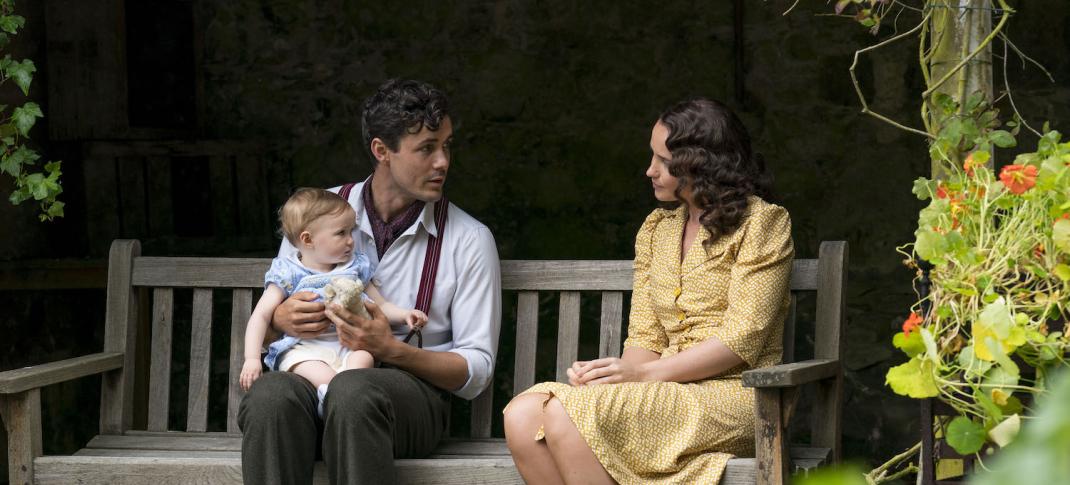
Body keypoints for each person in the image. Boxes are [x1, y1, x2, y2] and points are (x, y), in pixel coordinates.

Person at [503, 98, 793, 485]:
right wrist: (612, 377)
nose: (650, 170)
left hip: (740, 396)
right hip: (664, 388)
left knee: (565, 414)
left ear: (699, 164)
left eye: (663, 160)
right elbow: (646, 335)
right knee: (522, 415)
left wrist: (641, 375)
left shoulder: (762, 224)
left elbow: (743, 338)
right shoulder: (658, 230)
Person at [238, 79, 502, 485]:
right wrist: (281, 321)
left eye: (446, 146)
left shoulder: (468, 239)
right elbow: (274, 315)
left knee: (355, 392)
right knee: (271, 397)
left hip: (409, 402)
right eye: (426, 148)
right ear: (382, 151)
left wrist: (391, 350)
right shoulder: (313, 213)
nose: (443, 162)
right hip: (314, 378)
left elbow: (476, 372)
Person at [238, 187, 429, 418]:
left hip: (350, 345)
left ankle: (339, 401)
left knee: (363, 360)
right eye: (341, 233)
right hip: (305, 349)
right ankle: (329, 399)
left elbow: (379, 306)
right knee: (319, 374)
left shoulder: (355, 267)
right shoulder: (288, 272)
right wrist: (251, 359)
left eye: (351, 231)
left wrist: (405, 315)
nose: (351, 241)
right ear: (308, 239)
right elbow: (261, 316)